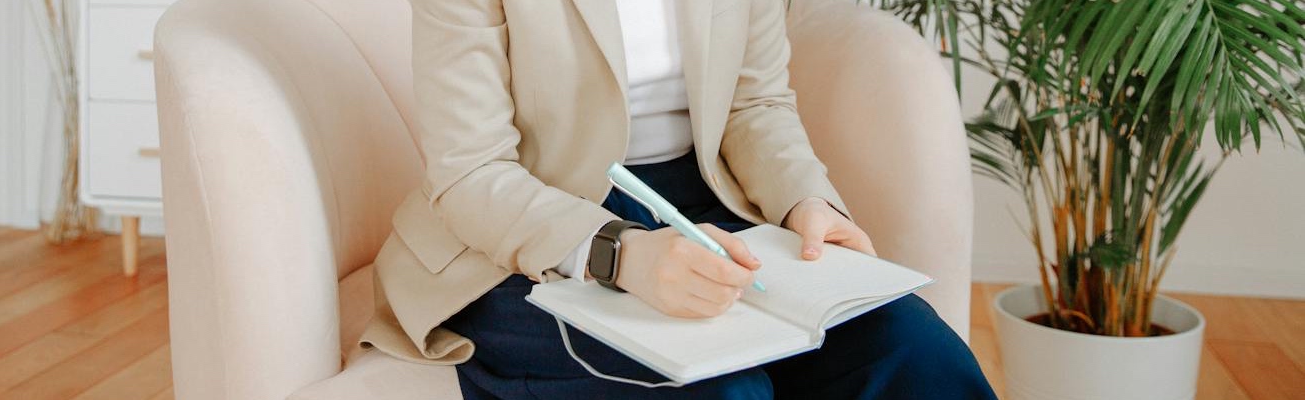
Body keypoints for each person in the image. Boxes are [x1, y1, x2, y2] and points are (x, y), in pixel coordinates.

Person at [358, 0, 997, 398]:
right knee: (723, 388)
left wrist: (808, 205)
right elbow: (472, 171)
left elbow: (756, 105)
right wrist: (621, 254)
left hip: (707, 208)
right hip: (525, 235)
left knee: (918, 352)